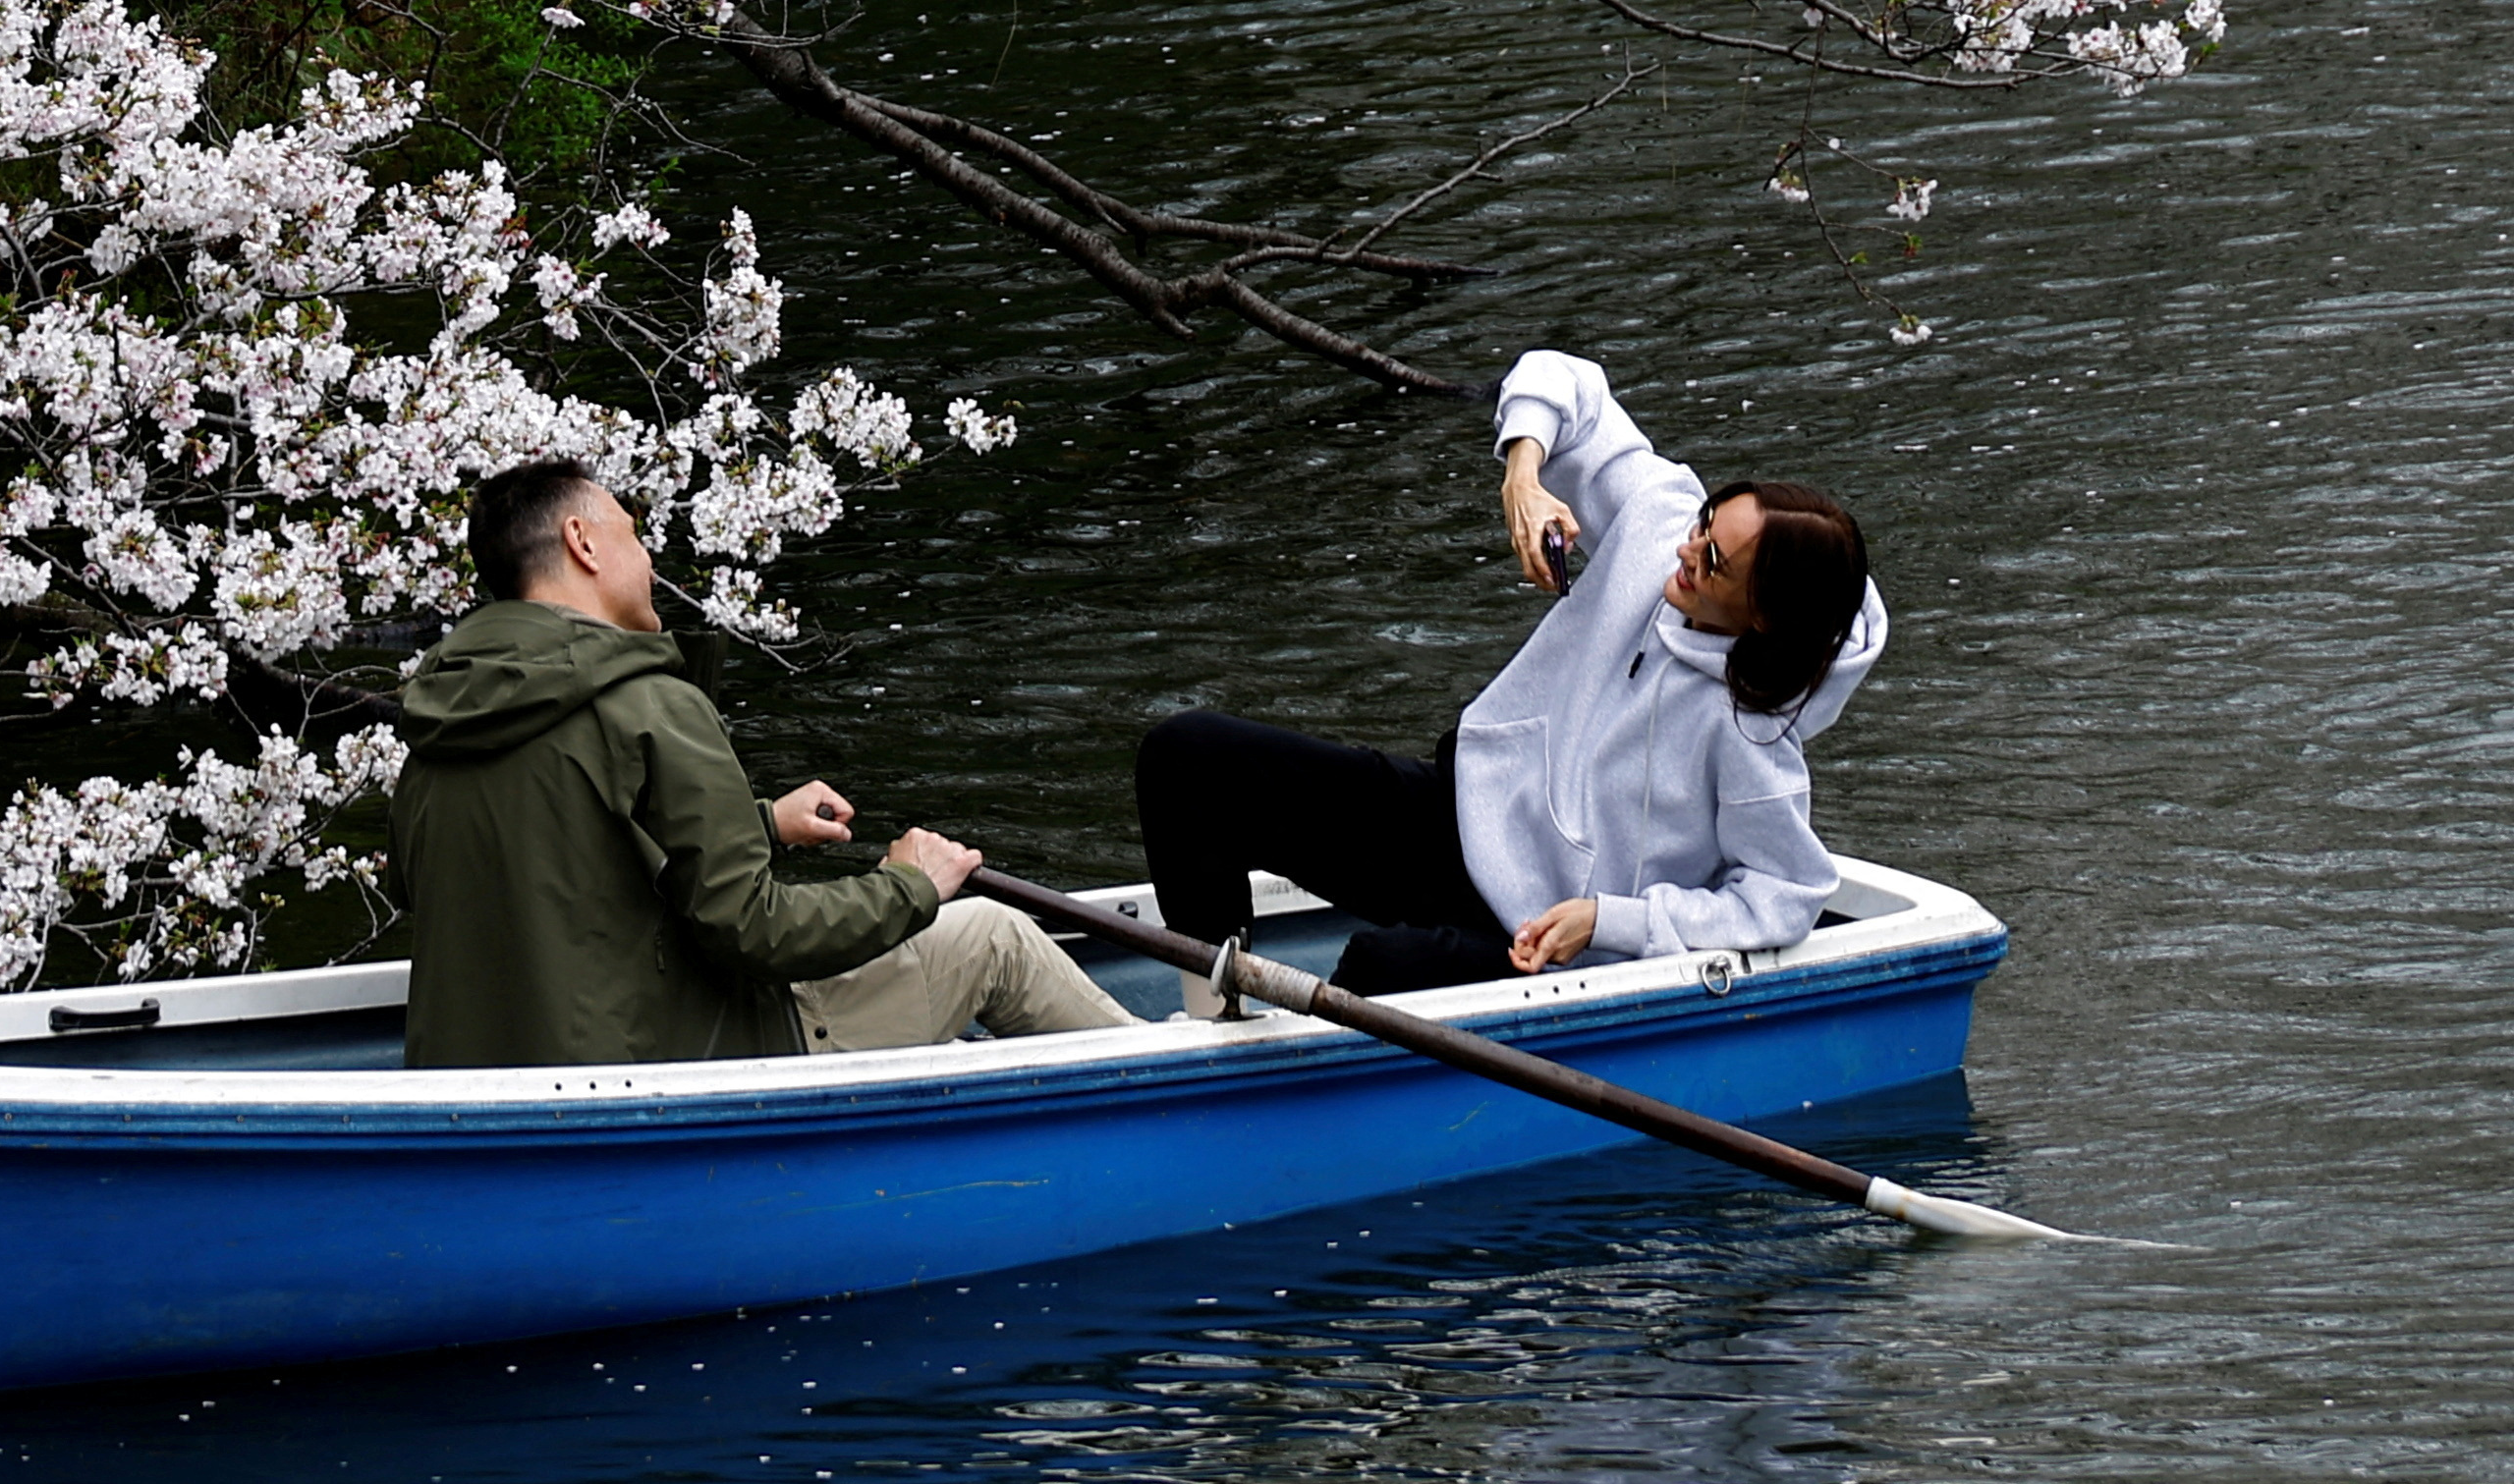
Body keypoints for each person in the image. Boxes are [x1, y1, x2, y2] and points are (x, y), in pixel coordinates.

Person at [1135, 349, 1884, 998]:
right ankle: (1214, 1021)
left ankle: (1296, 1111)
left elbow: (1784, 898)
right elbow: (1566, 382)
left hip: (1542, 935)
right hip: (1458, 817)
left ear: (1764, 616)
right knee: (1189, 760)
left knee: (1377, 968)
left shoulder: (1752, 738)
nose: (1688, 552)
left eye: (1714, 561)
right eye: (1704, 526)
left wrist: (1614, 920)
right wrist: (1523, 474)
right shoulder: (1659, 525)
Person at [392, 459, 1144, 1067]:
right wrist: (910, 887)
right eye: (634, 535)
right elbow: (754, 930)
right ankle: (1165, 1078)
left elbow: (553, 862)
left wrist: (758, 825)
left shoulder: (439, 720)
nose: (650, 560)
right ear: (584, 543)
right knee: (990, 935)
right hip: (680, 1057)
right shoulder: (649, 703)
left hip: (487, 1077)